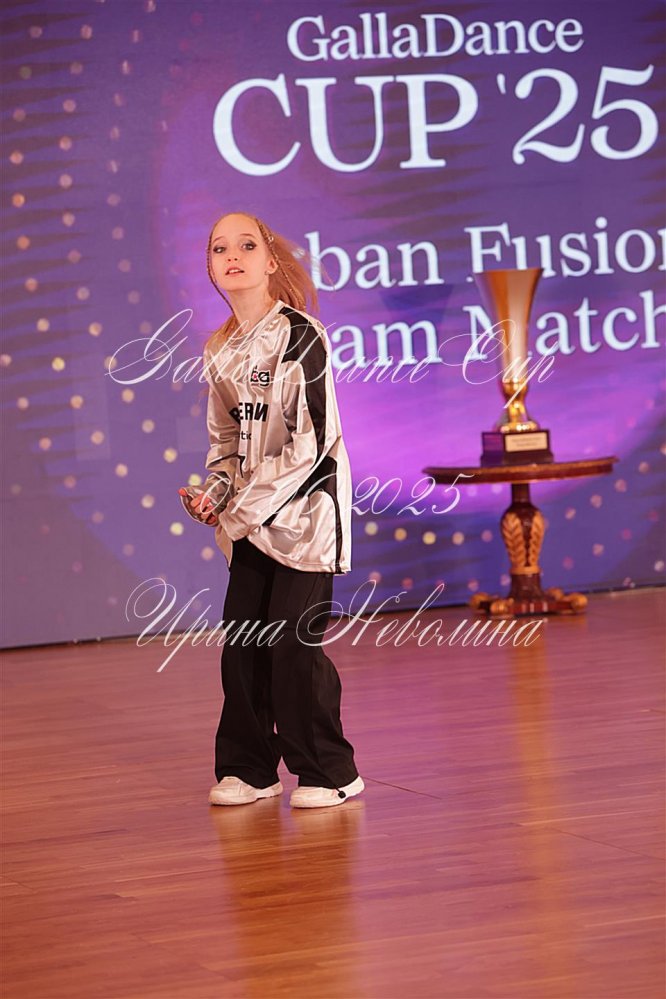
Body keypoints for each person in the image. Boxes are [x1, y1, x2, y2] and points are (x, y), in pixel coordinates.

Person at [178, 211, 363, 809]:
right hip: (250, 524)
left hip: (307, 520)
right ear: (211, 269)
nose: (232, 256)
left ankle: (330, 771)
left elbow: (312, 443)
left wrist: (242, 509)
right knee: (243, 647)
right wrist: (214, 495)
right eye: (219, 249)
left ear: (270, 261)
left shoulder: (301, 334)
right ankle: (250, 770)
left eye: (246, 245)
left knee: (293, 646)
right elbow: (227, 446)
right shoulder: (219, 349)